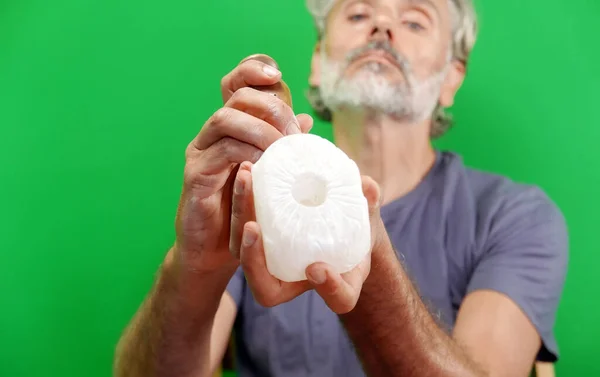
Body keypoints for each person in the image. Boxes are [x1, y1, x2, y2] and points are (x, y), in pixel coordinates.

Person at [113, 0, 569, 376]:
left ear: (451, 77)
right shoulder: (252, 202)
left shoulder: (513, 216)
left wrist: (363, 257)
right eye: (357, 14)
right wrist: (195, 261)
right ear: (317, 62)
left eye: (414, 20)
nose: (382, 26)